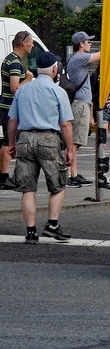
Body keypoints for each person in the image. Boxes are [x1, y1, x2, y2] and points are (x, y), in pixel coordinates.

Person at [7, 50, 74, 243]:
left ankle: (30, 232)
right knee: (58, 184)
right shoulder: (58, 91)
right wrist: (69, 148)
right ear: (55, 69)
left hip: (25, 139)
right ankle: (52, 225)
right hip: (49, 139)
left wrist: (12, 144)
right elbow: (66, 124)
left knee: (28, 189)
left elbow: (12, 121)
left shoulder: (23, 90)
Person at [0, 31, 35, 189]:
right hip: (10, 109)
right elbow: (15, 88)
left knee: (9, 142)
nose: (33, 45)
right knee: (9, 142)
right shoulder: (14, 63)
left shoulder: (11, 59)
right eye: (31, 42)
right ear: (23, 43)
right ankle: (4, 177)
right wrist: (28, 79)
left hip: (7, 107)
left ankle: (5, 175)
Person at [66, 31, 98, 187]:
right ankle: (69, 175)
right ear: (81, 44)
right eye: (88, 41)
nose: (90, 44)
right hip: (79, 104)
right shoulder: (78, 58)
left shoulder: (78, 60)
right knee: (73, 142)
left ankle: (74, 174)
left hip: (81, 104)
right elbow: (100, 56)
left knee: (76, 141)